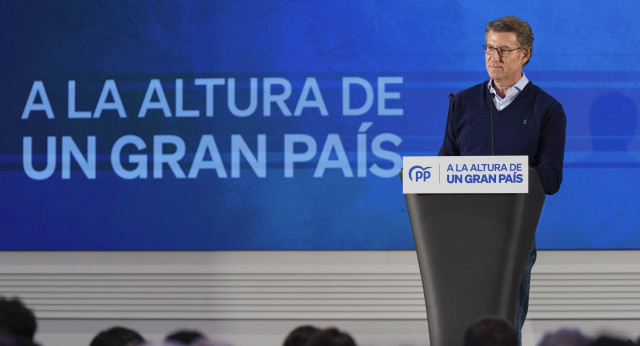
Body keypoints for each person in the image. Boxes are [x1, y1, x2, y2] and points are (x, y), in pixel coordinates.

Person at [439, 15, 567, 342]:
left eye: (503, 51)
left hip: (513, 235)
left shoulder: (547, 109)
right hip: (461, 235)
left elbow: (550, 179)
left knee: (503, 329)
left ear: (524, 55)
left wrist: (507, 175)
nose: (493, 58)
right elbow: (445, 166)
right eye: (489, 49)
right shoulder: (463, 103)